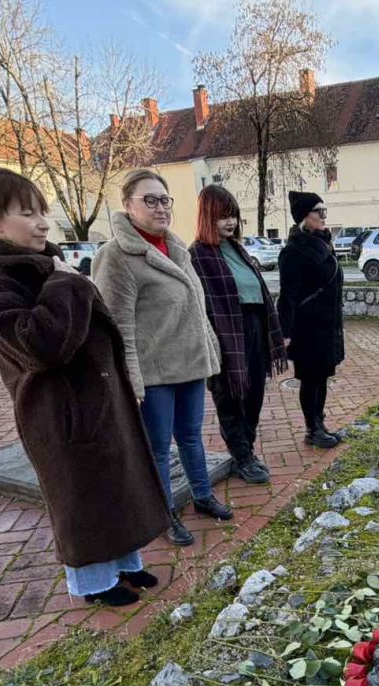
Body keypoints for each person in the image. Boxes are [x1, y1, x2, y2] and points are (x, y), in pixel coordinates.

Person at [0, 167, 169, 607]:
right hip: (60, 411)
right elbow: (40, 345)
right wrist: (64, 283)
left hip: (100, 399)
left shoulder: (49, 264)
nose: (42, 222)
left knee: (118, 484)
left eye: (43, 212)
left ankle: (124, 563)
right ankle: (94, 582)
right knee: (82, 497)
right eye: (27, 213)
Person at [92, 168, 231, 547]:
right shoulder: (116, 256)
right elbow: (117, 327)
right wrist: (132, 378)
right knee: (157, 447)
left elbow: (195, 310)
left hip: (189, 364)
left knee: (190, 436)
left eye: (164, 200)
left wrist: (210, 351)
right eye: (148, 200)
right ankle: (163, 513)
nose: (159, 208)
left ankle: (202, 496)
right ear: (127, 205)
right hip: (154, 373)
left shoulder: (176, 247)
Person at [188, 186, 290, 485]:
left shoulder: (238, 249)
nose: (230, 222)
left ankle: (246, 449)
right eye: (222, 216)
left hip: (254, 327)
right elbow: (200, 304)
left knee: (255, 393)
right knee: (231, 397)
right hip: (225, 335)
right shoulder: (198, 255)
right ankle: (243, 456)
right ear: (208, 217)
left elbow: (258, 292)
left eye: (232, 215)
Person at [277, 191, 344, 449]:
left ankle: (320, 423)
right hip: (307, 327)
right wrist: (285, 332)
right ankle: (311, 429)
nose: (324, 216)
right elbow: (288, 295)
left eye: (325, 211)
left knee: (322, 376)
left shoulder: (323, 242)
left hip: (328, 325)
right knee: (310, 378)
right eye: (319, 211)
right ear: (305, 216)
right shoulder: (293, 251)